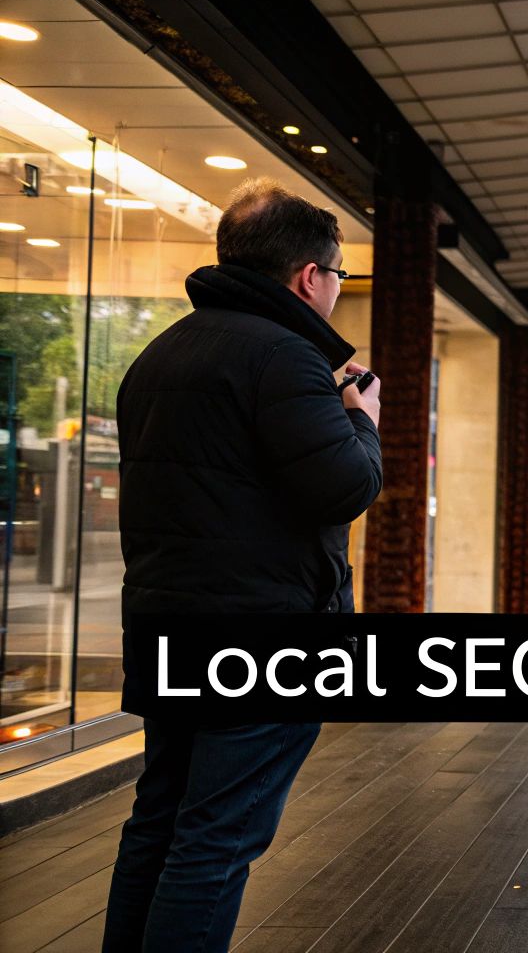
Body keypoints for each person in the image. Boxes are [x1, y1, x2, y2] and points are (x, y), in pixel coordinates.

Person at [104, 179, 383, 953]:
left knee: (158, 822)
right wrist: (363, 423)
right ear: (308, 277)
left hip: (167, 625)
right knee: (216, 840)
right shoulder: (286, 359)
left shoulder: (160, 355)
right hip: (259, 637)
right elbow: (347, 488)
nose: (335, 291)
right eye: (337, 277)